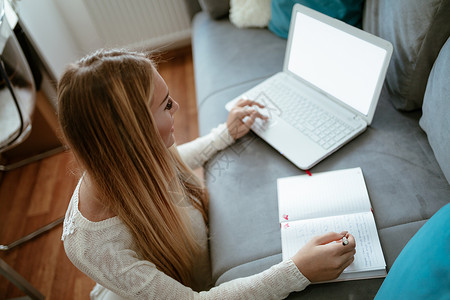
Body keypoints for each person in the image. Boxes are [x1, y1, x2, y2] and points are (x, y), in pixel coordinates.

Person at [58, 49, 356, 299]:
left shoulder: (125, 159)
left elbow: (173, 161)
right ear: (131, 135)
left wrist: (224, 134)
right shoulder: (94, 247)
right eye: (165, 106)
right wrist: (297, 271)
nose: (177, 107)